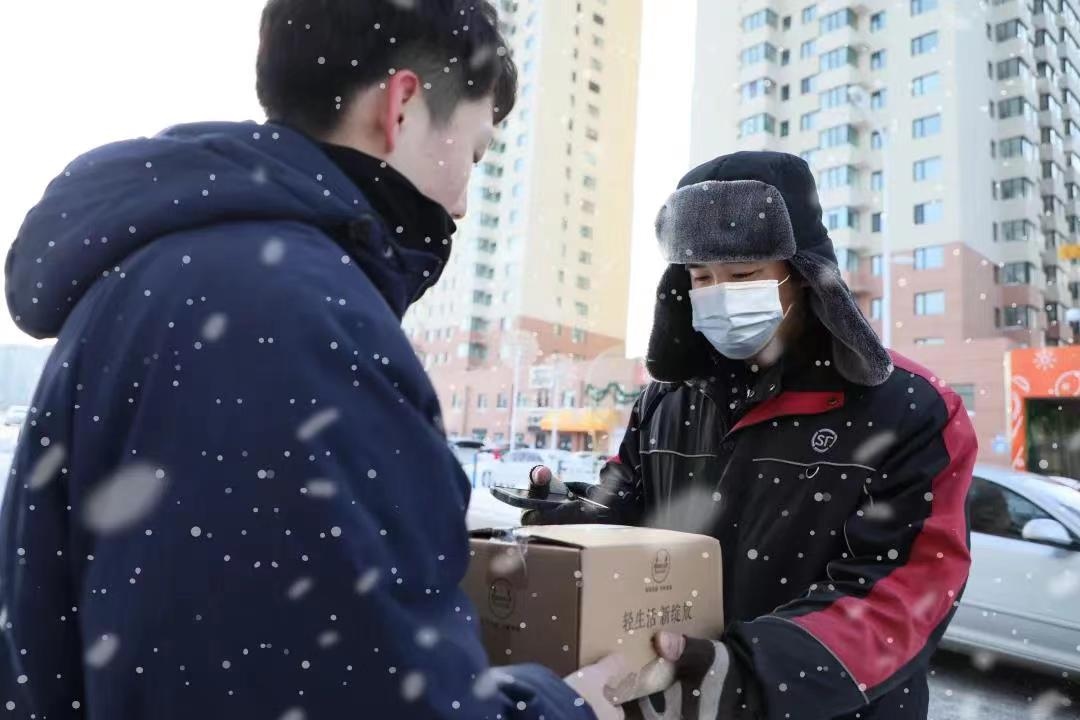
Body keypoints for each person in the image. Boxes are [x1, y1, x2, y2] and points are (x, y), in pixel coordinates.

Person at [0, 1, 622, 718]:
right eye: (476, 155)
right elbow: (354, 692)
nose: (461, 205)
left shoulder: (154, 276)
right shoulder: (298, 319)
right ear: (402, 106)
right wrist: (566, 706)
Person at [522, 152, 976, 720]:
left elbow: (907, 590)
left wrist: (746, 674)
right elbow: (627, 502)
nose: (720, 294)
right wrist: (575, 517)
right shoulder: (665, 400)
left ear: (804, 275)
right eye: (701, 277)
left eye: (742, 275)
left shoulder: (910, 409)